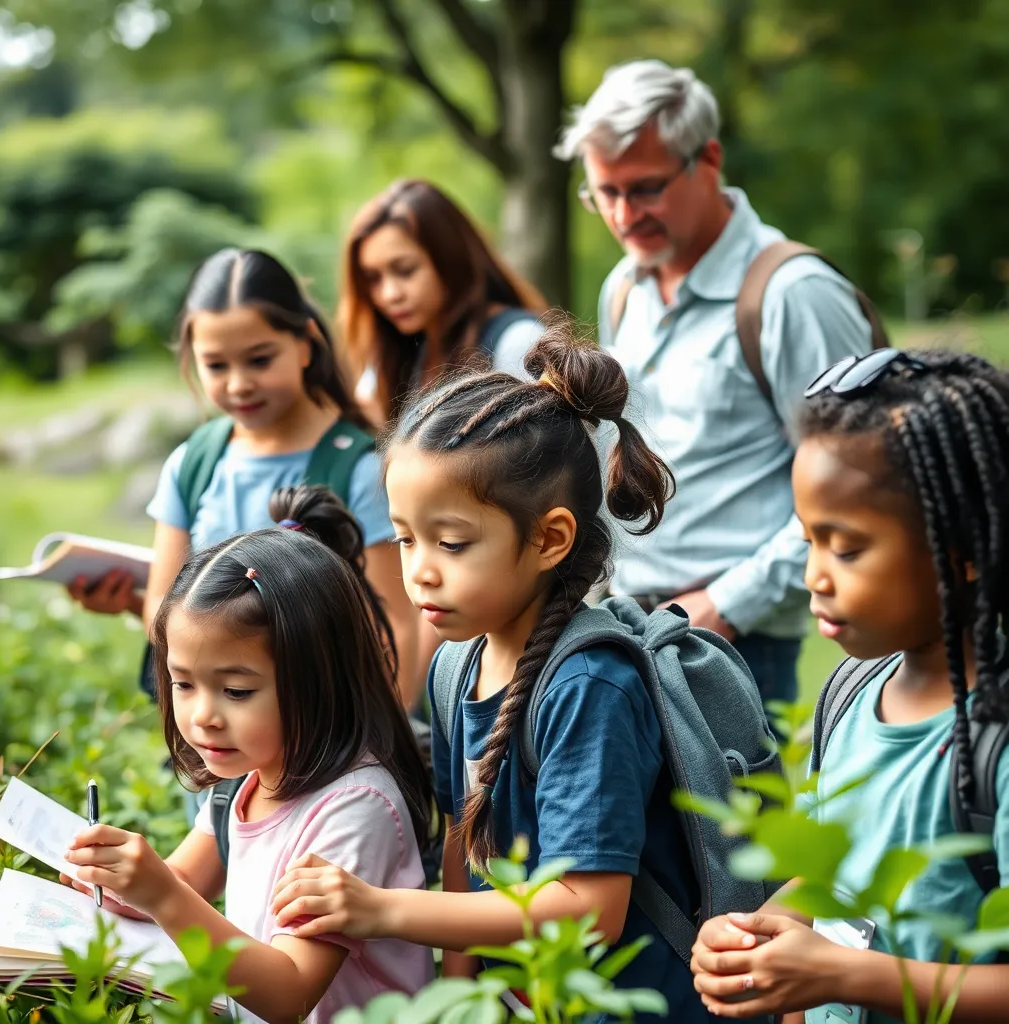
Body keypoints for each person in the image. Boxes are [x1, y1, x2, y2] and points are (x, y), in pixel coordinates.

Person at [268, 328, 716, 1023]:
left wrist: (383, 909)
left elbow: (590, 911)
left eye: (451, 543)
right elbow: (462, 840)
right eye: (406, 537)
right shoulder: (456, 664)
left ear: (549, 539)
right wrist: (462, 999)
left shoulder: (587, 686)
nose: (419, 569)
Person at [689, 349, 1009, 1021]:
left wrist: (848, 976)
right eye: (807, 540)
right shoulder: (852, 693)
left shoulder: (994, 742)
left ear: (966, 554)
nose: (814, 576)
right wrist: (761, 937)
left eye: (847, 547)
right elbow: (837, 872)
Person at [554, 59, 876, 703]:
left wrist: (725, 604)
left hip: (738, 643)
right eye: (603, 194)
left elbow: (860, 483)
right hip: (628, 627)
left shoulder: (792, 294)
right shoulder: (624, 287)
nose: (623, 215)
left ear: (709, 159)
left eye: (644, 188)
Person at [62, 489, 436, 1024]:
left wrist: (162, 895)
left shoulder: (355, 807)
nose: (203, 716)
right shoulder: (247, 775)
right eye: (183, 684)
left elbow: (289, 993)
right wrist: (125, 883)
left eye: (236, 691)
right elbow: (186, 881)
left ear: (319, 682)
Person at [67, 248, 421, 709]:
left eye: (258, 359)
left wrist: (382, 742)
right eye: (216, 365)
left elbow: (397, 623)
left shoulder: (359, 469)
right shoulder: (192, 463)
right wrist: (131, 604)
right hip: (219, 747)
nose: (238, 385)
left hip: (327, 736)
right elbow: (164, 608)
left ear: (306, 343)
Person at [338, 178, 547, 427]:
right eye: (373, 279)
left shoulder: (518, 341)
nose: (390, 294)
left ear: (449, 258)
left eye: (405, 270)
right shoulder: (396, 354)